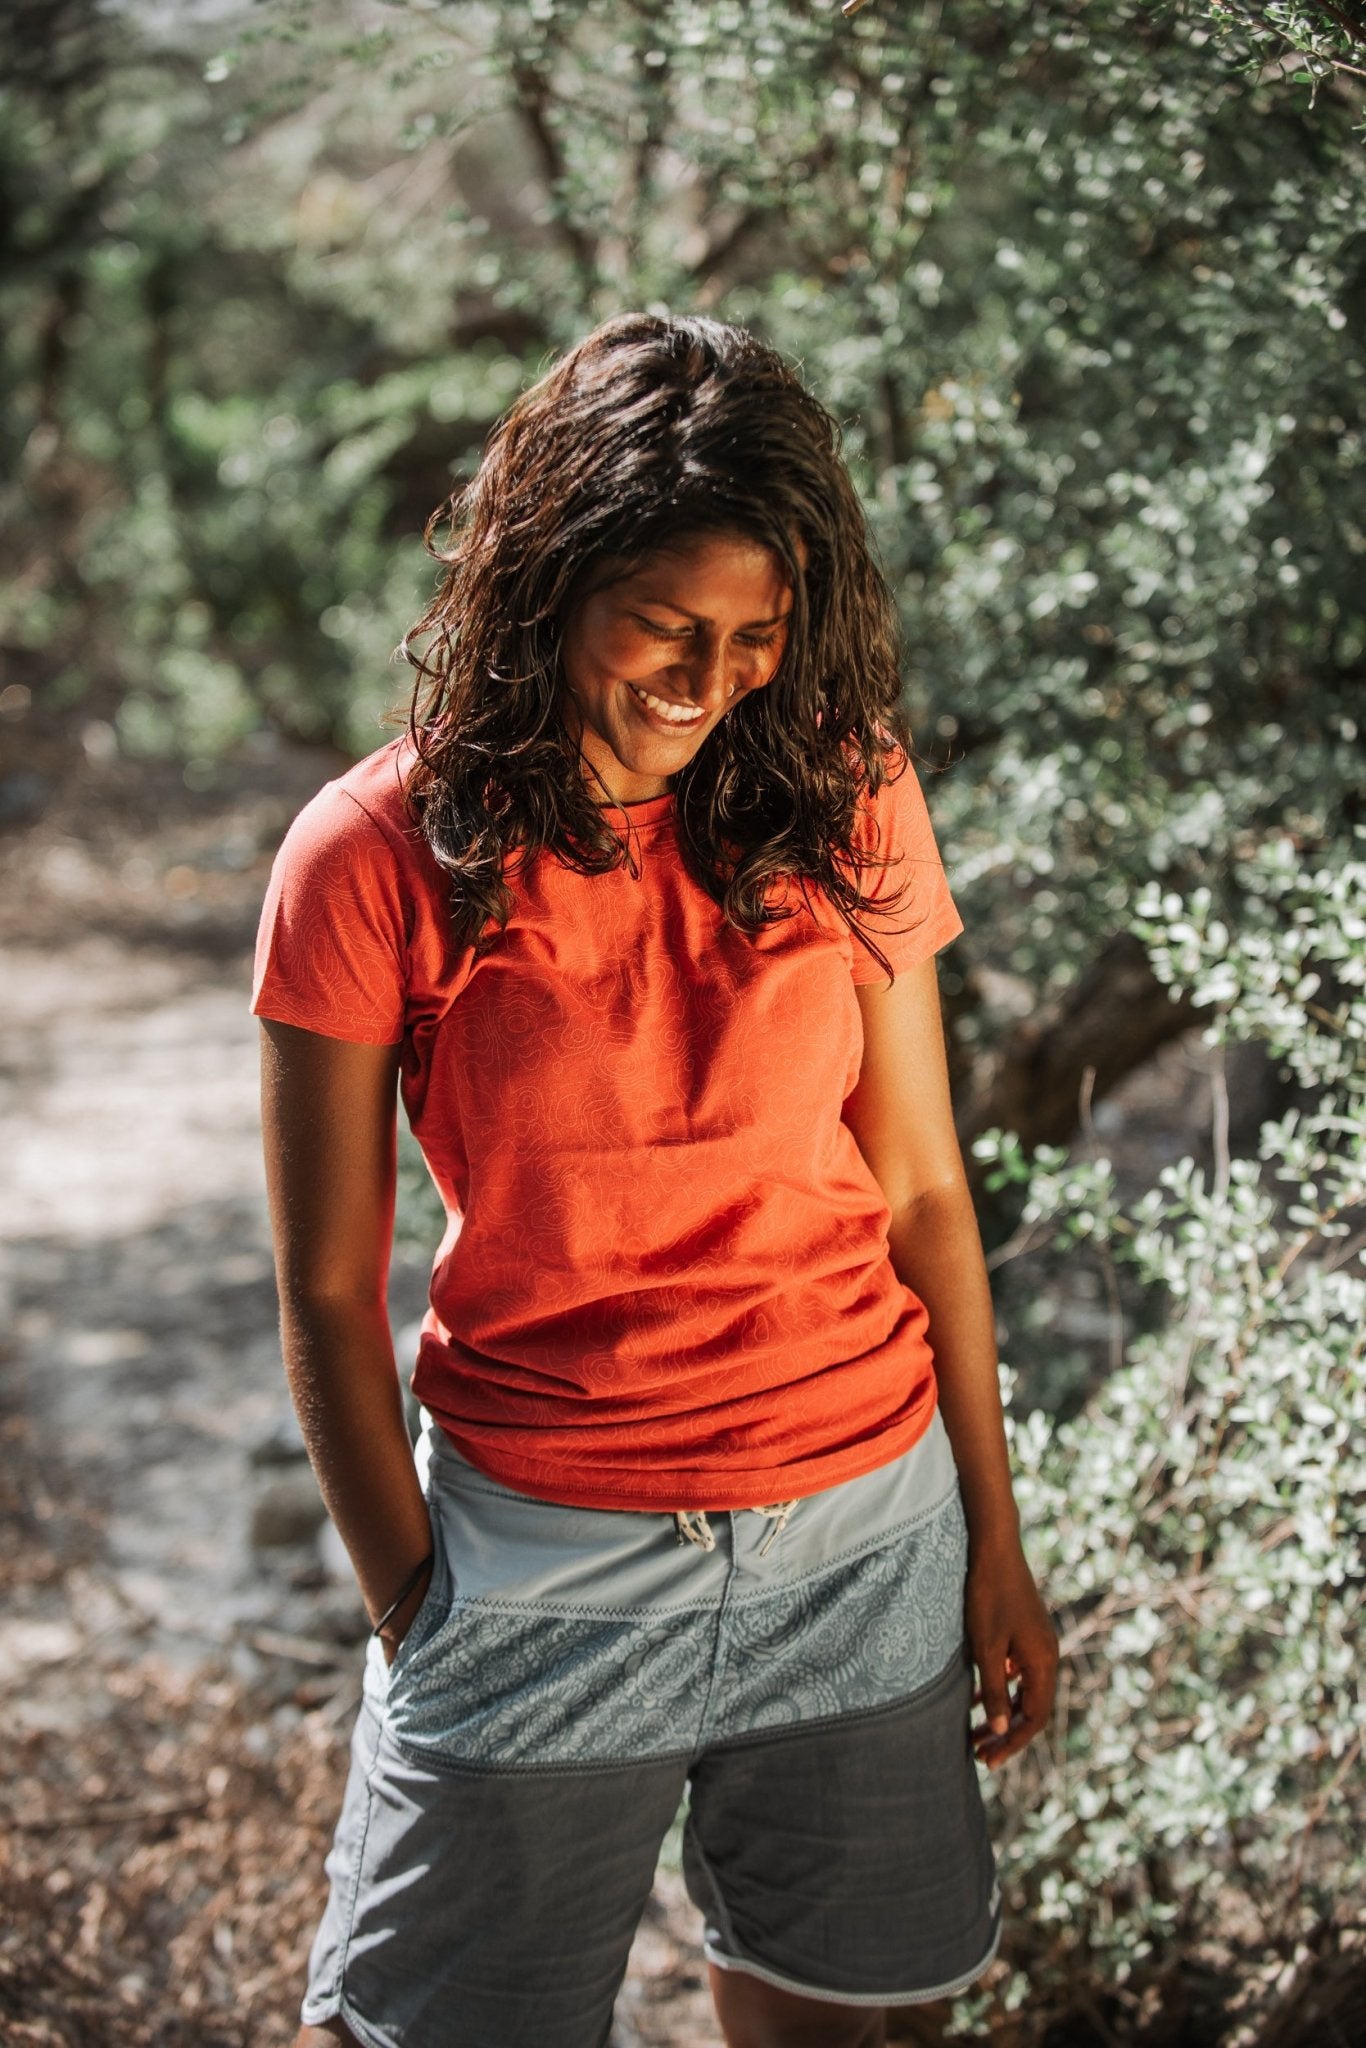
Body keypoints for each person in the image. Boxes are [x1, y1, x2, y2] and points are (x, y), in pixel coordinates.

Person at [253, 312, 1057, 2048]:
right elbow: (322, 1287)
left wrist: (992, 1540)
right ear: (548, 580)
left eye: (756, 636)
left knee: (852, 2022)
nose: (712, 680)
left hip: (864, 1540)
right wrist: (411, 1605)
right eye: (666, 626)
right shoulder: (370, 855)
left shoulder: (848, 794)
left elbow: (924, 1193)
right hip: (536, 1557)